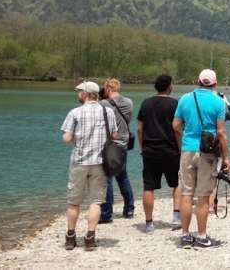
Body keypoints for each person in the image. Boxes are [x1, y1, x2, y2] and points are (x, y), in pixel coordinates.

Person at [173, 69, 230, 249]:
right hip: (208, 152)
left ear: (197, 81)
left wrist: (183, 142)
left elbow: (175, 125)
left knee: (186, 193)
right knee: (204, 196)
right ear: (215, 83)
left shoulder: (184, 98)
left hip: (188, 149)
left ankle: (185, 235)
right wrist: (226, 156)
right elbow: (221, 131)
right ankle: (202, 237)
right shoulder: (218, 102)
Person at [60, 81, 118, 251]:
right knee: (96, 201)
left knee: (73, 202)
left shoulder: (75, 112)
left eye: (79, 92)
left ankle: (70, 237)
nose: (78, 94)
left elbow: (67, 138)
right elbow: (114, 134)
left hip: (79, 161)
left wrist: (71, 136)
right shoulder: (108, 112)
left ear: (85, 93)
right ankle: (90, 238)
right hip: (100, 162)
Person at [136, 75, 182, 234]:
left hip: (149, 149)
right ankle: (176, 216)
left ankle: (149, 223)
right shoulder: (175, 103)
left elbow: (140, 129)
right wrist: (180, 147)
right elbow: (177, 128)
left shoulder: (146, 103)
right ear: (169, 86)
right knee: (177, 183)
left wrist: (142, 146)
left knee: (149, 186)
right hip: (170, 149)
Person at [98, 77, 135, 223]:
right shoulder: (129, 102)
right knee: (122, 176)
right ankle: (129, 208)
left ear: (107, 88)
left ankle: (106, 213)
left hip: (109, 144)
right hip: (124, 143)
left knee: (107, 178)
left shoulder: (103, 104)